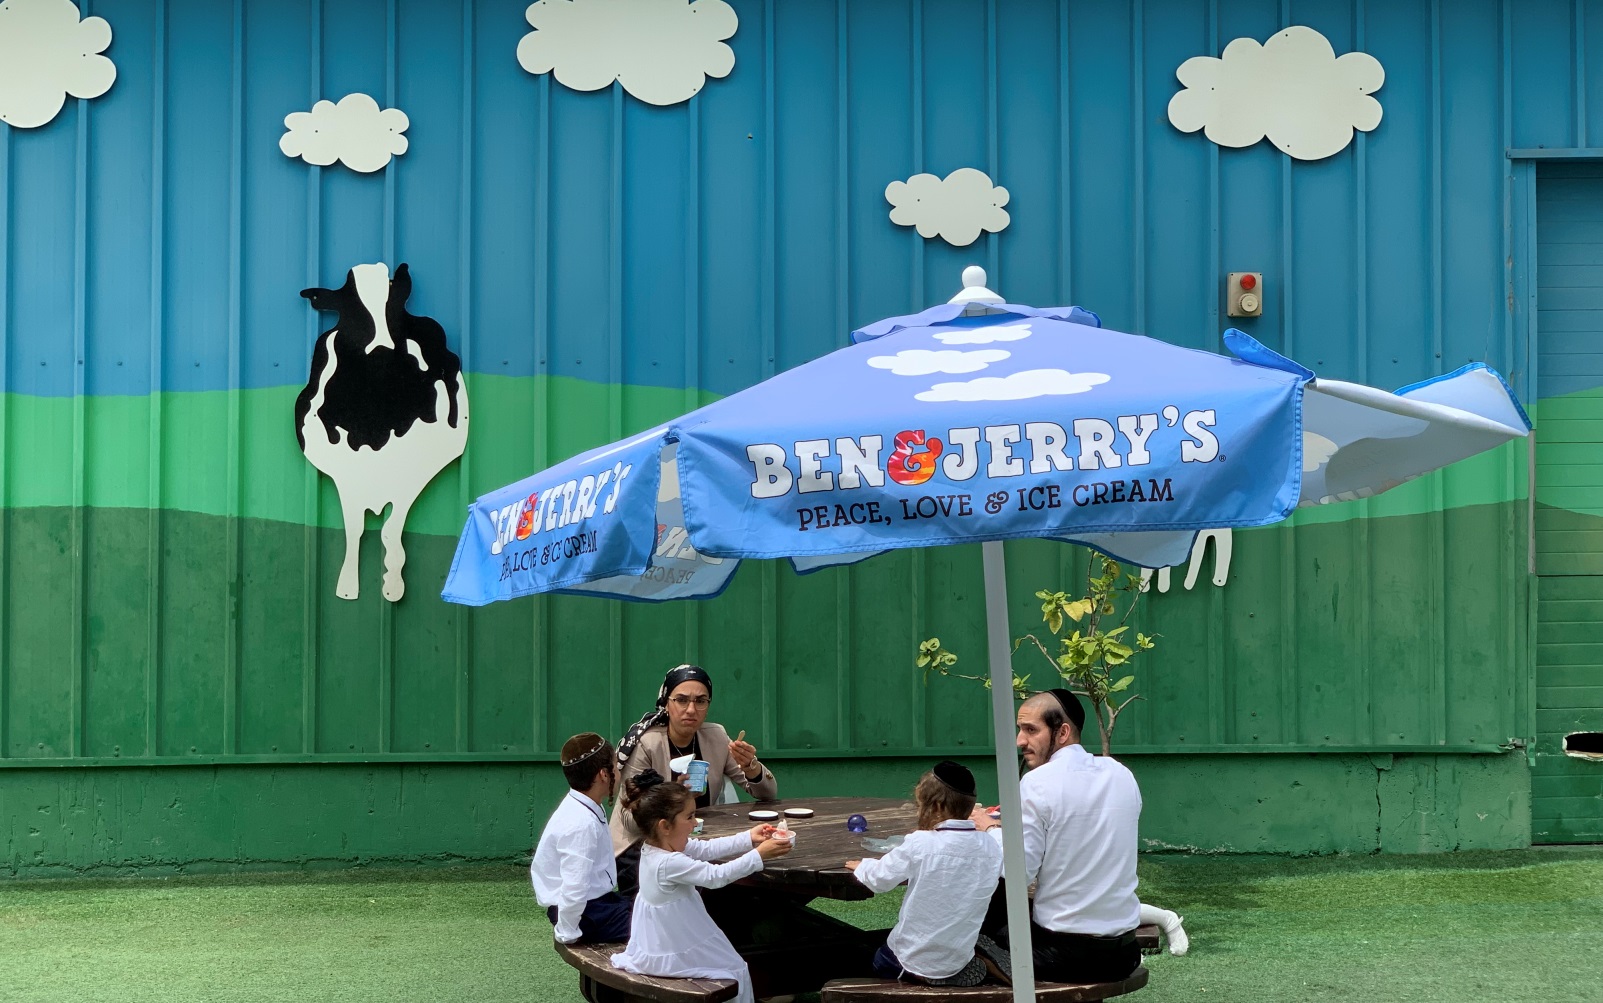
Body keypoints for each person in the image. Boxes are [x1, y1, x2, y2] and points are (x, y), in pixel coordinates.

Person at [970, 689, 1148, 984]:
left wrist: (988, 828)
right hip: (1123, 954)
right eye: (1020, 729)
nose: (1020, 741)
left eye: (1030, 730)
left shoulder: (1037, 782)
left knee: (982, 913)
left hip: (1062, 954)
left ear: (1062, 732)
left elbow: (1018, 872)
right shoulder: (1121, 774)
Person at [610, 769, 791, 1003]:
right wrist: (759, 855)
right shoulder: (668, 863)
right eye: (689, 817)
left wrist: (749, 837)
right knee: (735, 969)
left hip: (666, 937)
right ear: (665, 826)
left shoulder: (656, 847)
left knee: (734, 965)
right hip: (672, 946)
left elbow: (706, 849)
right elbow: (716, 876)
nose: (695, 823)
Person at [611, 664, 778, 889]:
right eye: (681, 700)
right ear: (666, 704)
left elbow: (768, 793)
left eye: (700, 701)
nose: (691, 709)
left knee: (747, 891)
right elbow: (629, 820)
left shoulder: (715, 736)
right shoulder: (646, 744)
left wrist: (751, 766)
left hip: (697, 840)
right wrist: (674, 796)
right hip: (643, 847)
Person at [844, 761, 1007, 987]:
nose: (919, 811)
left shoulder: (920, 843)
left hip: (909, 960)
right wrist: (992, 827)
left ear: (937, 807)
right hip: (957, 958)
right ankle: (956, 967)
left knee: (876, 957)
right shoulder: (991, 846)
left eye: (921, 805)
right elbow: (1003, 848)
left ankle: (916, 977)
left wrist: (862, 866)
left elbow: (880, 879)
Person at [531, 732, 629, 944]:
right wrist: (567, 932)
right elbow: (574, 887)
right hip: (585, 914)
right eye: (616, 763)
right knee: (657, 926)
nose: (619, 769)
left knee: (654, 911)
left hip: (594, 903)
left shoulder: (584, 804)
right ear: (604, 774)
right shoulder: (580, 824)